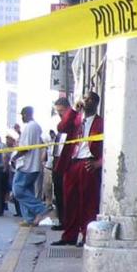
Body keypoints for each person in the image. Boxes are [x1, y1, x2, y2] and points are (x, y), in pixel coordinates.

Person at [53, 91, 103, 246]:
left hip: (88, 164)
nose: (86, 102)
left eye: (89, 100)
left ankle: (86, 235)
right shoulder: (75, 119)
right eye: (84, 99)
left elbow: (110, 147)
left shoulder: (101, 123)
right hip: (72, 163)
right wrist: (73, 110)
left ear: (95, 103)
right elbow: (61, 127)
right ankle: (69, 235)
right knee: (70, 201)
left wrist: (98, 163)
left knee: (87, 202)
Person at [11, 106, 48, 227]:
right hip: (34, 165)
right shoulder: (35, 127)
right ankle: (29, 218)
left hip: (26, 165)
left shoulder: (30, 126)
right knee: (27, 190)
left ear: (26, 114)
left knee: (18, 190)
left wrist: (15, 157)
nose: (22, 117)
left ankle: (40, 209)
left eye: (22, 115)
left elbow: (25, 147)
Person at [52, 97, 76, 230]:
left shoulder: (71, 120)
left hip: (66, 163)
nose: (59, 114)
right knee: (59, 194)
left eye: (61, 111)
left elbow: (63, 127)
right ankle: (62, 220)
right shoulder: (63, 123)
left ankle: (66, 221)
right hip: (58, 162)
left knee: (65, 195)